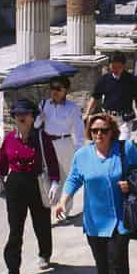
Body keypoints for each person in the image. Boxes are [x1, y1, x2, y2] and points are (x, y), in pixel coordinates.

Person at [56, 114, 137, 274]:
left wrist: (130, 184)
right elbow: (74, 178)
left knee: (118, 261)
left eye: (103, 130)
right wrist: (63, 201)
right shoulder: (83, 155)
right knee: (102, 261)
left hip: (119, 219)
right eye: (95, 130)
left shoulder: (125, 150)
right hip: (94, 221)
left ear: (111, 132)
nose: (99, 134)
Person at [0, 99, 61, 274]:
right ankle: (13, 271)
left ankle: (44, 253)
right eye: (18, 114)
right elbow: (3, 160)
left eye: (25, 114)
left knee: (41, 222)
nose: (21, 117)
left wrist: (55, 181)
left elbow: (52, 161)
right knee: (15, 228)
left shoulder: (42, 137)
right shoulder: (9, 138)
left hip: (36, 182)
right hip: (15, 184)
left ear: (33, 117)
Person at [35, 77, 85, 220]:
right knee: (47, 176)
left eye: (58, 89)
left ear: (65, 90)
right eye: (52, 88)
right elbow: (35, 126)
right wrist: (40, 117)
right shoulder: (44, 104)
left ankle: (64, 210)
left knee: (65, 177)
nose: (54, 92)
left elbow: (79, 131)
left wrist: (78, 150)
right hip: (46, 143)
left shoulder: (72, 108)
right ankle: (47, 206)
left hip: (64, 143)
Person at [87, 52, 137, 141]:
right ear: (109, 66)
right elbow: (95, 97)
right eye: (113, 67)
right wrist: (87, 114)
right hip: (108, 118)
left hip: (125, 119)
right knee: (108, 143)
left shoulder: (131, 80)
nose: (115, 70)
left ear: (124, 66)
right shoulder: (104, 79)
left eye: (118, 67)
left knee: (122, 143)